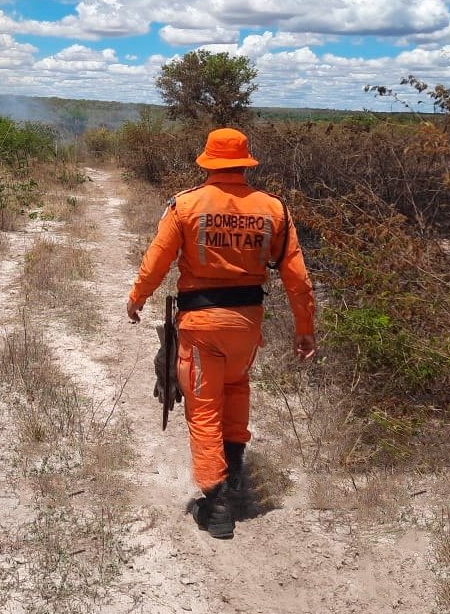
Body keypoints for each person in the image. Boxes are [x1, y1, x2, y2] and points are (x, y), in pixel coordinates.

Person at [126, 127, 317, 540]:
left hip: (201, 326)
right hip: (247, 327)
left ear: (208, 161)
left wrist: (137, 297)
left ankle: (217, 506)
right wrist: (305, 328)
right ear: (245, 162)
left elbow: (157, 260)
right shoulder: (273, 209)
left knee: (205, 411)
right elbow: (297, 278)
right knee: (236, 393)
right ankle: (233, 481)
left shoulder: (187, 205)